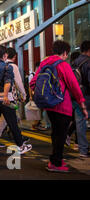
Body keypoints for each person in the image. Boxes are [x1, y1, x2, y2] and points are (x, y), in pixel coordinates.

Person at [30, 41, 87, 172]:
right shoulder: (63, 65)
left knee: (56, 133)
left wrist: (46, 95)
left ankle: (56, 160)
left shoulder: (44, 63)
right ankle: (55, 163)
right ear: (65, 52)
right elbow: (74, 86)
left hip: (49, 106)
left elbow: (33, 83)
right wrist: (82, 103)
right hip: (62, 105)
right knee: (60, 135)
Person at [0, 45, 32, 157]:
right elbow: (8, 82)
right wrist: (5, 96)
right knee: (13, 123)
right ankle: (21, 146)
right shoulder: (7, 67)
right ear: (5, 55)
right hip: (5, 100)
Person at [0, 47, 28, 148]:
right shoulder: (12, 66)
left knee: (4, 119)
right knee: (11, 120)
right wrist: (24, 94)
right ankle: (19, 142)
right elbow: (19, 82)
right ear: (14, 56)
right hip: (9, 97)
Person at [70, 40, 90, 158]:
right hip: (86, 96)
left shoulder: (74, 62)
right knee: (82, 121)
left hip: (75, 96)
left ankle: (82, 149)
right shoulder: (87, 62)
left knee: (80, 122)